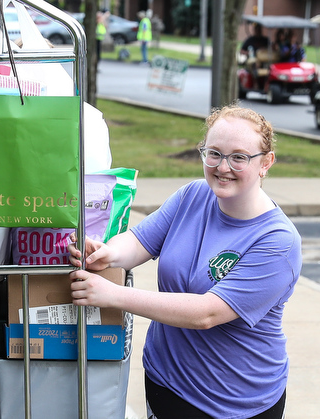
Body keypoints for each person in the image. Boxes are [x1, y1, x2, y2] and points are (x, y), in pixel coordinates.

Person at [69, 106, 301, 419]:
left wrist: (112, 294)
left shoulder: (278, 242)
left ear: (266, 163)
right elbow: (140, 241)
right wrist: (106, 253)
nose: (223, 166)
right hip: (165, 382)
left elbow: (207, 312)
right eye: (214, 153)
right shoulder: (193, 195)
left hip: (232, 403)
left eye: (239, 157)